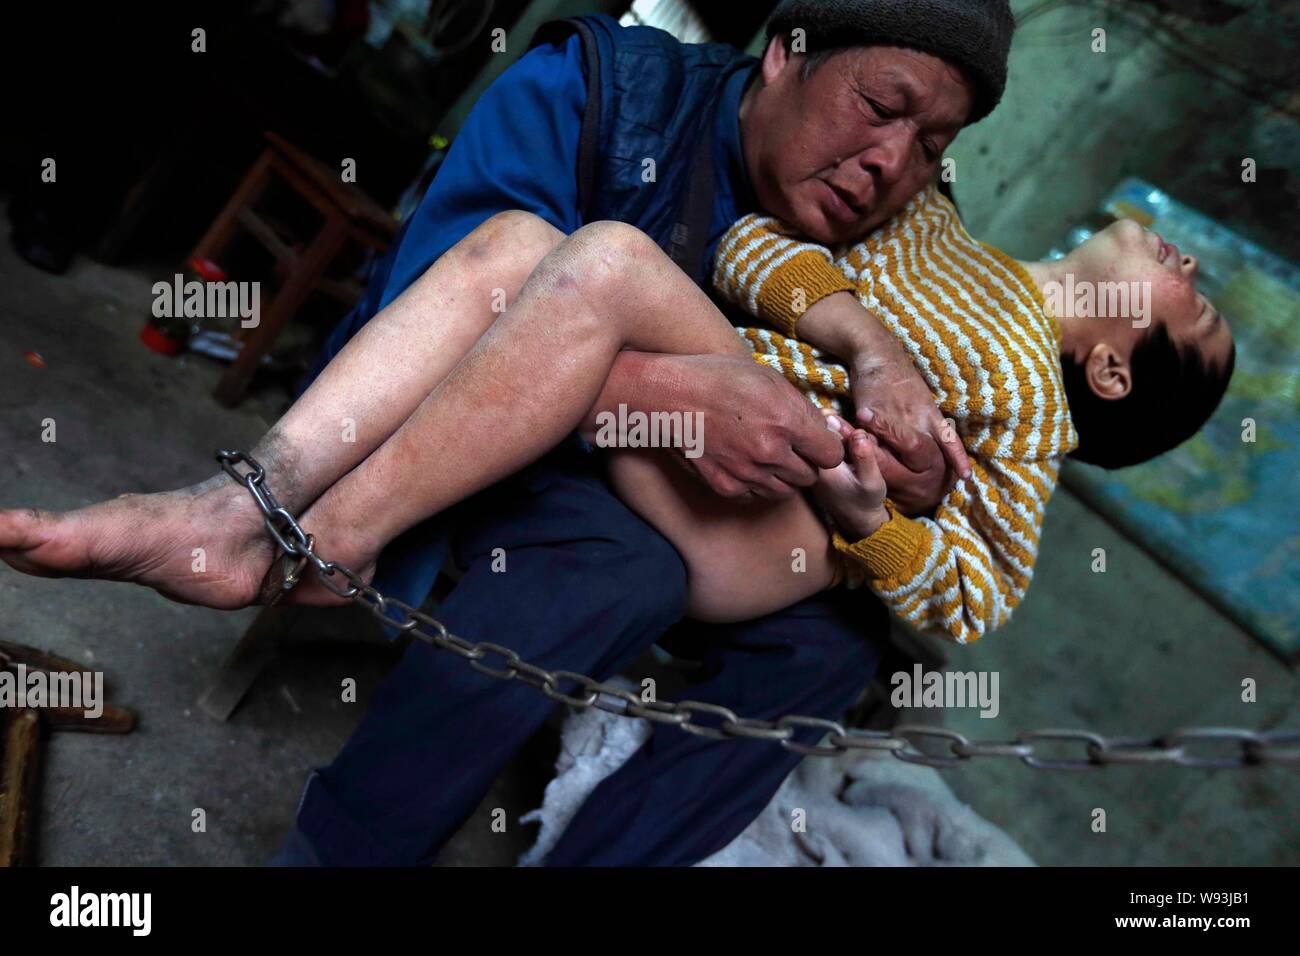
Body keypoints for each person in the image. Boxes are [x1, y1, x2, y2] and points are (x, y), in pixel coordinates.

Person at [0, 2, 1018, 865]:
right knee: (615, 563)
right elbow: (453, 299)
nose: (892, 161)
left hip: (744, 515)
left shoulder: (903, 246)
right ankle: (340, 842)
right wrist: (661, 393)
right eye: (880, 107)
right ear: (788, 51)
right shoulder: (599, 94)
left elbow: (956, 457)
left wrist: (879, 410)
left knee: (836, 647)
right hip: (476, 435)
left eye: (932, 147)